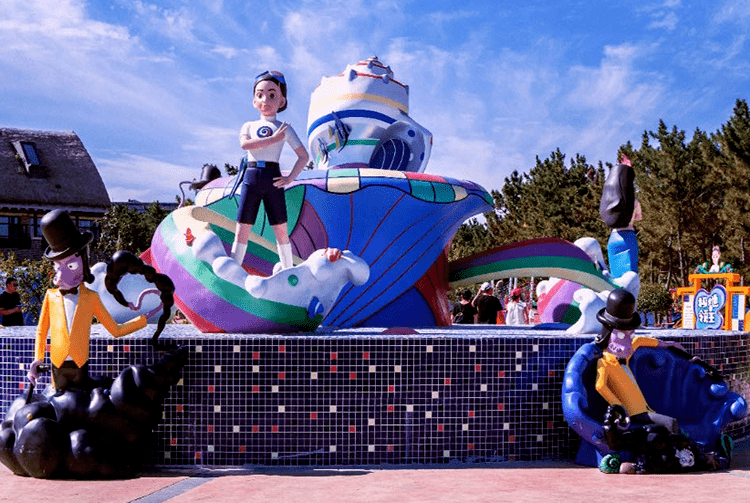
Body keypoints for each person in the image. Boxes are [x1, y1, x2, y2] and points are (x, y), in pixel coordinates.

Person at [28, 210, 149, 393]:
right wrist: (37, 358)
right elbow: (41, 331)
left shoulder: (90, 298)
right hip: (56, 366)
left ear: (83, 262)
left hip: (80, 365)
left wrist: (143, 320)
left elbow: (114, 330)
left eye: (70, 266)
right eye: (57, 266)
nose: (61, 274)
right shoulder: (50, 296)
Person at [230, 70, 309, 272]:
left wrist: (290, 177)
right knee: (242, 227)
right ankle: (233, 269)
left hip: (273, 179)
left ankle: (288, 270)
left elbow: (304, 156)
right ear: (254, 100)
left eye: (272, 95)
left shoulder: (284, 128)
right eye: (260, 94)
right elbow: (245, 145)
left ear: (282, 100)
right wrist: (273, 140)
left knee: (280, 229)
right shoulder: (248, 125)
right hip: (251, 177)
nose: (265, 99)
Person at [594, 289, 682, 434]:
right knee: (670, 423)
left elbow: (639, 341)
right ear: (608, 334)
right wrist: (620, 409)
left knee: (670, 426)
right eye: (622, 334)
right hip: (634, 414)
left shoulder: (624, 357)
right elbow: (600, 386)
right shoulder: (605, 362)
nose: (628, 340)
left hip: (646, 409)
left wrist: (669, 344)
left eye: (630, 333)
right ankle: (683, 454)